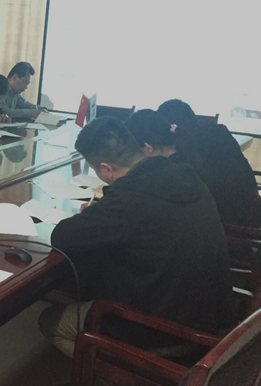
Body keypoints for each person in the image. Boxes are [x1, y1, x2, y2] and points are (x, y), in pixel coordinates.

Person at [39, 117, 234, 358]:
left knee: (50, 322)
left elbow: (63, 237)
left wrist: (96, 212)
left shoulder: (130, 198)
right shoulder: (185, 174)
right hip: (210, 315)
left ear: (106, 168)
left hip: (162, 329)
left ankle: (118, 372)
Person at [156, 99, 261, 227]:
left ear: (171, 127)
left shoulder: (184, 149)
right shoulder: (219, 133)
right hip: (252, 209)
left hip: (225, 222)